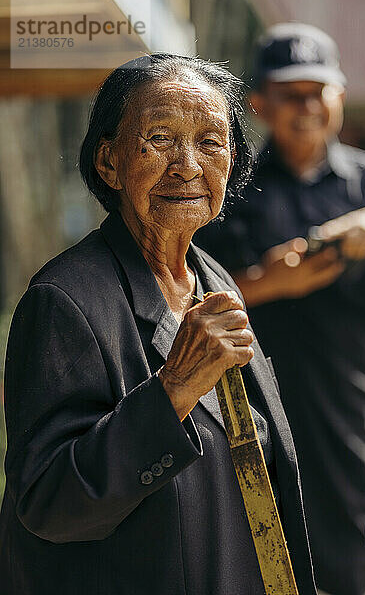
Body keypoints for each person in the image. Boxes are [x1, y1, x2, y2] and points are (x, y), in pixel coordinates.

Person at [0, 54, 317, 595]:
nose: (188, 165)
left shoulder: (210, 278)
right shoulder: (65, 300)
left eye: (210, 142)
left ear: (233, 162)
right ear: (110, 162)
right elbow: (48, 502)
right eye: (162, 138)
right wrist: (174, 389)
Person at [195, 24, 365, 595]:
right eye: (291, 94)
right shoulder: (231, 184)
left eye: (319, 90)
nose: (307, 106)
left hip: (345, 395)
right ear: (259, 103)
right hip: (249, 398)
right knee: (253, 535)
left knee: (343, 537)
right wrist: (269, 282)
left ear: (340, 96)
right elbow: (187, 294)